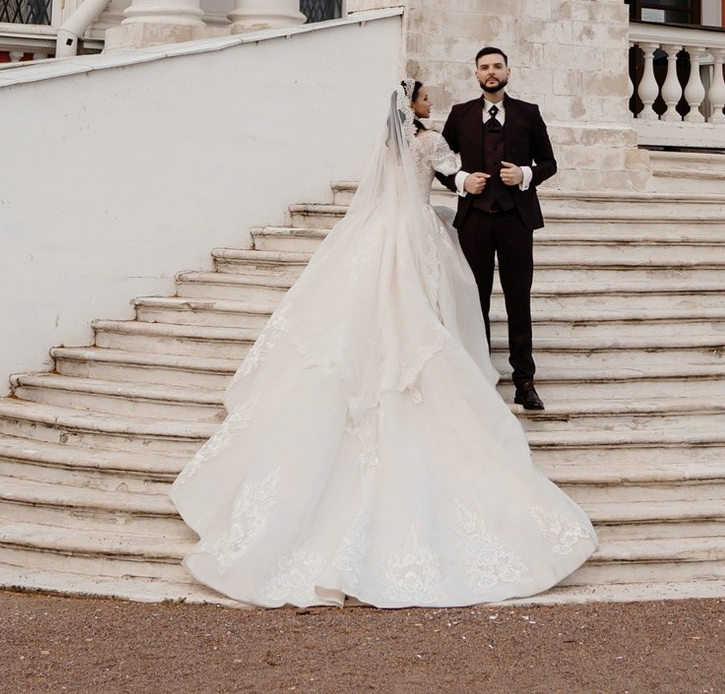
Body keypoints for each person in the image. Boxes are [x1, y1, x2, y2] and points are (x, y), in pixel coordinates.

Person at [168, 82, 595, 607]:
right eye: (422, 98)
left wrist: (500, 176)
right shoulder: (426, 140)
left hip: (382, 230)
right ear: (409, 106)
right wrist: (470, 179)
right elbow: (451, 173)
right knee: (427, 299)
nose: (429, 103)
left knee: (375, 304)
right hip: (415, 229)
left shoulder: (387, 143)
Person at [431, 46, 557, 411]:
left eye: (497, 66)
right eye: (484, 67)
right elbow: (438, 160)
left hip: (517, 219)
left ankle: (524, 382)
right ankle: (481, 377)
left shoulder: (528, 114)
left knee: (519, 299)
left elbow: (549, 162)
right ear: (475, 75)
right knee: (475, 300)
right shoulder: (460, 115)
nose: (491, 72)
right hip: (474, 220)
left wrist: (525, 175)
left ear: (508, 72)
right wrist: (462, 179)